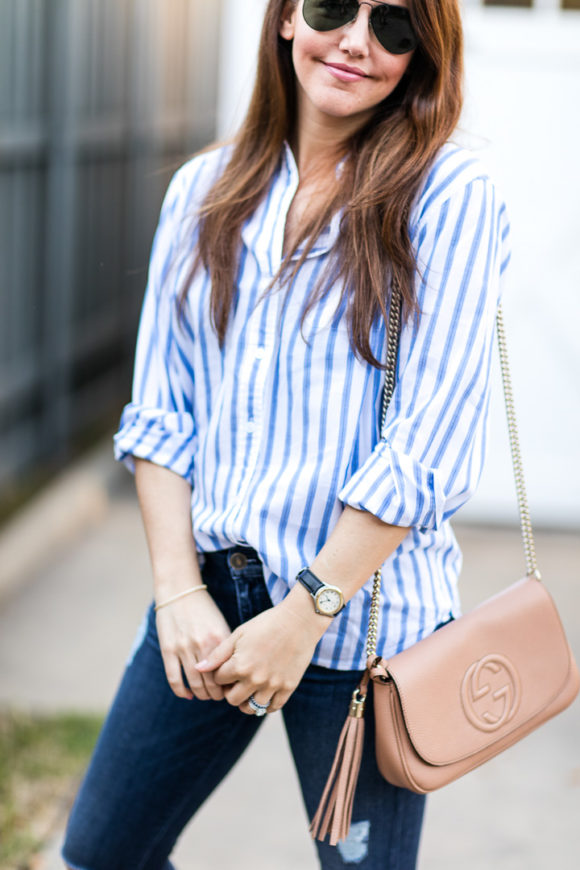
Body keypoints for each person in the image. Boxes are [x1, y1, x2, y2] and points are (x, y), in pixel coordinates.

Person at [61, 1, 511, 868]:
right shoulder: (203, 190)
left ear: (426, 53)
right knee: (98, 854)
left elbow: (431, 444)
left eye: (396, 26)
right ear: (285, 19)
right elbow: (162, 414)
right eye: (335, 6)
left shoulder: (453, 190)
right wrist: (176, 593)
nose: (356, 41)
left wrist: (306, 614)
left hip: (363, 633)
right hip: (211, 606)